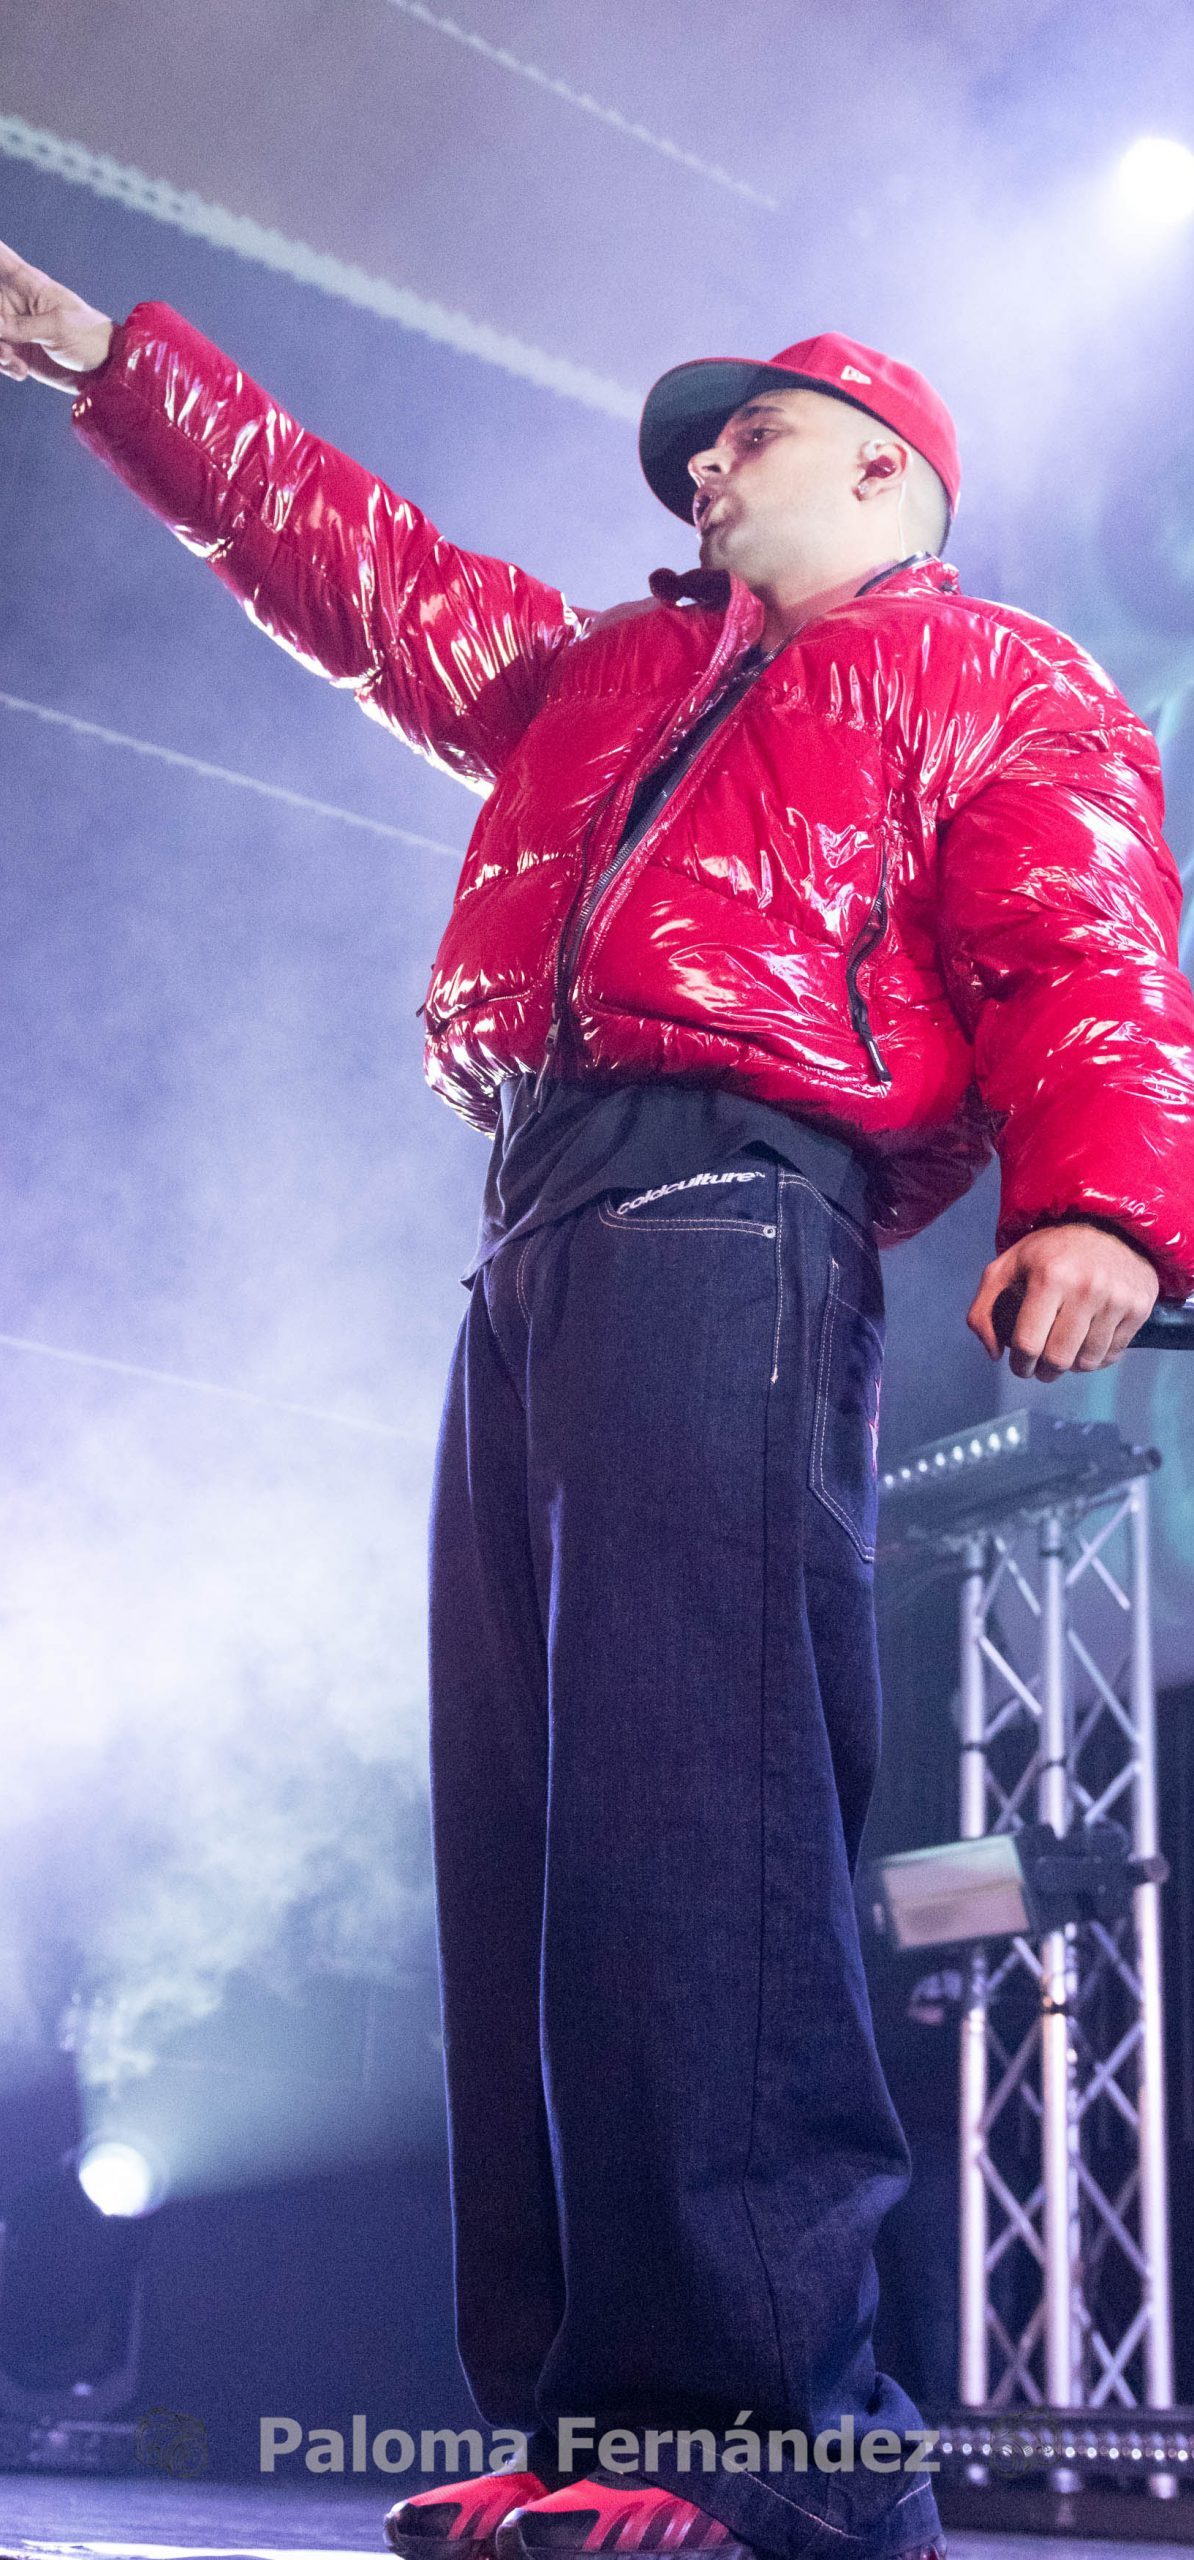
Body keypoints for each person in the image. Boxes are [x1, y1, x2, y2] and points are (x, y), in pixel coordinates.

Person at [2, 246, 1192, 2560]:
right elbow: (354, 562)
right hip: (539, 1221)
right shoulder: (605, 675)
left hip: (739, 1207)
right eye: (700, 444)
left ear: (892, 473)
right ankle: (589, 2421)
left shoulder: (986, 672)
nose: (707, 466)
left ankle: (769, 2451)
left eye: (754, 432)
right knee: (537, 1841)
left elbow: (1089, 949)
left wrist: (1107, 1205)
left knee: (697, 1818)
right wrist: (108, 366)